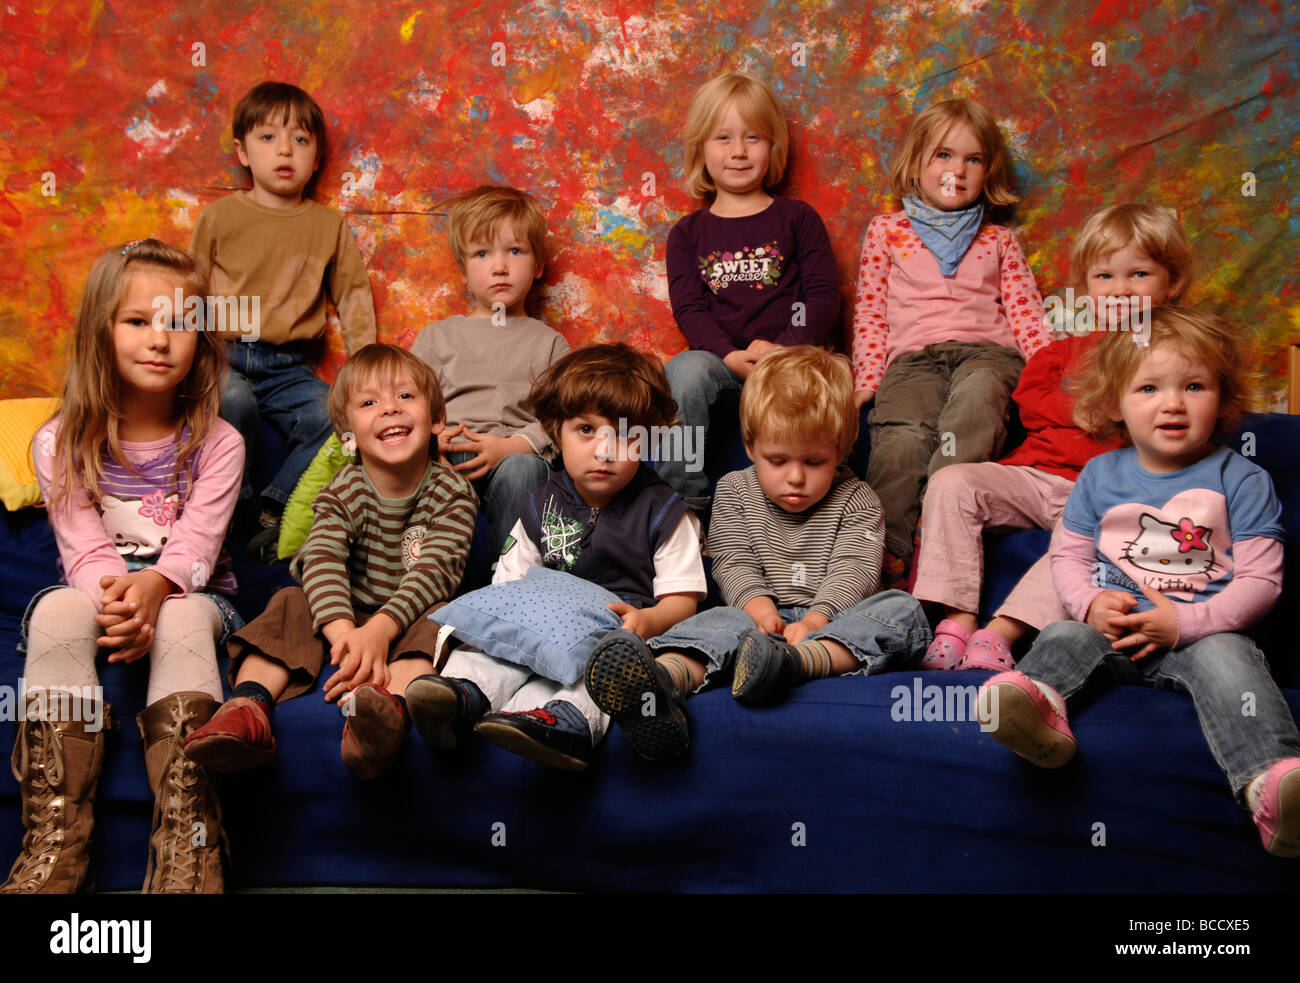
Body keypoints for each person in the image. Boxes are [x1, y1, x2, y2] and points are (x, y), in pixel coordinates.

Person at [977, 306, 1300, 857]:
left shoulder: (1242, 478)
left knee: (1231, 661)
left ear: (1222, 399)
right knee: (1062, 635)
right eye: (1148, 387)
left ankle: (1272, 786)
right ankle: (1039, 712)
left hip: (1203, 635)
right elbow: (1070, 557)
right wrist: (1090, 602)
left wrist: (1188, 622)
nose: (1172, 403)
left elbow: (1263, 581)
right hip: (1116, 629)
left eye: (1194, 386)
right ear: (1116, 404)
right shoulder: (1101, 475)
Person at [3, 240, 242, 894]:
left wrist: (157, 587)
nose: (160, 339)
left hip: (189, 591)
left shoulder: (221, 442)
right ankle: (55, 843)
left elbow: (197, 546)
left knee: (186, 618)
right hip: (98, 587)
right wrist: (121, 601)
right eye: (138, 321)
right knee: (55, 608)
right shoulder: (60, 441)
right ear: (100, 330)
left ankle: (188, 850)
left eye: (177, 323)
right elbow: (82, 547)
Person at [585, 347, 930, 761]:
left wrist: (817, 619)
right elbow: (733, 559)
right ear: (750, 447)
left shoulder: (858, 499)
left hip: (832, 625)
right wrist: (760, 610)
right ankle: (662, 680)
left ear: (842, 450)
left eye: (815, 461)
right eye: (778, 460)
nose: (796, 477)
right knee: (714, 620)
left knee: (903, 611)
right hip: (752, 621)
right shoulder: (734, 491)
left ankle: (798, 663)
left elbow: (853, 570)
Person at [913, 203, 1191, 670]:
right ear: (1085, 289)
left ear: (1171, 284)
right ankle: (956, 622)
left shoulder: (1168, 355)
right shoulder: (1062, 351)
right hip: (1034, 475)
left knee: (1087, 530)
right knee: (952, 481)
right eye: (1105, 278)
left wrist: (1123, 411)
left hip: (1101, 490)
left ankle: (999, 633)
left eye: (1139, 274)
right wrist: (1087, 410)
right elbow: (1030, 398)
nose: (1121, 290)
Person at [405, 343, 706, 771]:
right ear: (555, 432)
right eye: (586, 430)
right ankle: (460, 695)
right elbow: (509, 586)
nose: (605, 450)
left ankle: (560, 723)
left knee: (606, 674)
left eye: (624, 435)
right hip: (543, 622)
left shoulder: (665, 512)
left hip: (617, 633)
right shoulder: (540, 503)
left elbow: (684, 600)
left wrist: (645, 623)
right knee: (491, 646)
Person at [184, 345, 476, 780]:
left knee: (445, 617)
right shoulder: (345, 487)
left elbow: (435, 574)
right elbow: (321, 557)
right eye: (369, 403)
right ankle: (248, 707)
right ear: (348, 437)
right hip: (343, 617)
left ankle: (384, 715)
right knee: (289, 600)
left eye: (406, 397)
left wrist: (380, 631)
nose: (390, 410)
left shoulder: (452, 492)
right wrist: (344, 635)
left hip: (408, 615)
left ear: (436, 420)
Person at [850, 97, 1049, 580]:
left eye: (973, 159)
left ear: (988, 172)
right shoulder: (886, 231)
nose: (956, 169)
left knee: (976, 405)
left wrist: (1050, 376)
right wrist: (869, 380)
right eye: (943, 154)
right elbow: (871, 311)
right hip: (912, 361)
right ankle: (889, 556)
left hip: (988, 355)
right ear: (916, 163)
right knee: (900, 440)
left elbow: (1027, 315)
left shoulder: (998, 239)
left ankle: (939, 525)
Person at [190, 81, 377, 558]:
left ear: (317, 158)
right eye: (268, 138)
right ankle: (233, 504)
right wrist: (188, 355)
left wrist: (366, 365)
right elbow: (190, 288)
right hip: (224, 354)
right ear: (243, 152)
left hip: (288, 365)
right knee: (234, 402)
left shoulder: (326, 224)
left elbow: (352, 292)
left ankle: (272, 508)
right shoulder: (219, 217)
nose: (285, 151)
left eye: (300, 140)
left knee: (331, 418)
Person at [659, 72, 840, 515]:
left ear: (774, 147)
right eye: (723, 138)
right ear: (701, 149)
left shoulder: (798, 218)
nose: (738, 151)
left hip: (790, 364)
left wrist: (783, 348)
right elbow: (690, 309)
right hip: (721, 369)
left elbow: (821, 295)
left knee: (838, 370)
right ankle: (684, 508)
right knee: (682, 371)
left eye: (752, 137)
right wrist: (726, 355)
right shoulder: (687, 234)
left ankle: (834, 513)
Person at [410, 186, 569, 558]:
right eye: (482, 253)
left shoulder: (550, 344)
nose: (500, 267)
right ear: (463, 268)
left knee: (521, 471)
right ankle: (424, 586)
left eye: (515, 251)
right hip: (448, 455)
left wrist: (512, 447)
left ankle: (510, 591)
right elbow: (409, 403)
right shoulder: (437, 337)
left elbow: (563, 418)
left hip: (515, 458)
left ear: (539, 264)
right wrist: (434, 441)